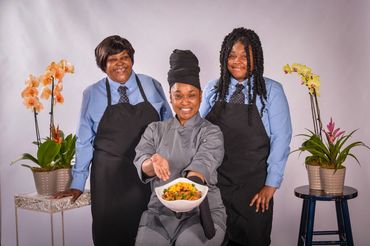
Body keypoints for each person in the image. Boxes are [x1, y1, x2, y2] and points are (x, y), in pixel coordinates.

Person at [54, 35, 172, 245]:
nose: (120, 64)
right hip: (109, 181)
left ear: (132, 59)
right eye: (112, 60)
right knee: (110, 236)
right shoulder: (92, 93)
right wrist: (78, 182)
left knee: (152, 236)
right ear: (103, 65)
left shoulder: (152, 85)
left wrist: (172, 167)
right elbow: (84, 140)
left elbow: (170, 128)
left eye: (124, 57)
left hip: (148, 177)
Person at [199, 27, 292, 246]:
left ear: (255, 58)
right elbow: (198, 131)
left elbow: (281, 138)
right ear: (224, 58)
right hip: (216, 184)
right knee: (214, 239)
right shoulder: (214, 89)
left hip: (254, 187)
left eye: (244, 56)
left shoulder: (271, 90)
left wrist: (271, 185)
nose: (237, 61)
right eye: (232, 56)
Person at [134, 49, 226, 246]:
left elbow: (202, 165)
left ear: (200, 96)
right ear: (170, 97)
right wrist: (153, 163)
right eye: (178, 95)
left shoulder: (211, 132)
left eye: (191, 95)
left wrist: (185, 192)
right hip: (159, 213)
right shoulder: (155, 129)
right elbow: (142, 162)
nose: (185, 102)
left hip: (202, 212)